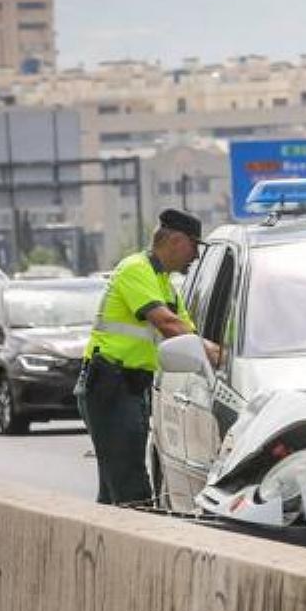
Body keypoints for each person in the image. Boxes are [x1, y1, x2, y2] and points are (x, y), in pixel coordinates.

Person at [76, 208, 218, 505]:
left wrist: (217, 354)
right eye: (194, 246)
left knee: (115, 485)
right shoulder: (135, 269)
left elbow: (189, 336)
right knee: (131, 489)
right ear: (176, 241)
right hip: (109, 384)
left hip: (131, 387)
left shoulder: (164, 282)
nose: (195, 256)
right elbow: (168, 324)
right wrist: (217, 356)